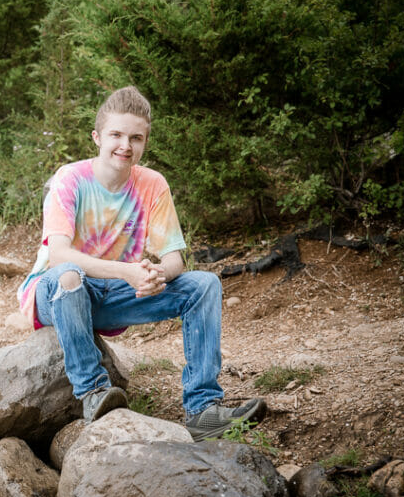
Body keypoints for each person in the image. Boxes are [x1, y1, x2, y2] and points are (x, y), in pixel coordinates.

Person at [16, 86, 266, 441]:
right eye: (116, 135)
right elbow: (58, 254)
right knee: (70, 275)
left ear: (145, 142)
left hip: (112, 294)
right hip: (56, 293)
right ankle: (93, 392)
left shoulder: (152, 184)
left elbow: (174, 258)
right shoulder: (70, 179)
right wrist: (127, 271)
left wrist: (156, 274)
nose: (125, 145)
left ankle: (203, 410)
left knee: (204, 285)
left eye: (136, 138)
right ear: (97, 137)